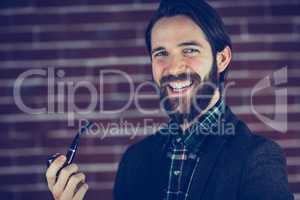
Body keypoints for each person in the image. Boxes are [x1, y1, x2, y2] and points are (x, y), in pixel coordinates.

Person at [45, 0, 294, 199]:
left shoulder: (258, 158)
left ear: (221, 59)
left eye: (189, 50)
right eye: (161, 53)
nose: (174, 69)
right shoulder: (134, 161)